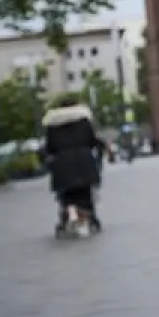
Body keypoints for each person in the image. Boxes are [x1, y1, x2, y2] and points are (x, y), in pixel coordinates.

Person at [42, 93, 106, 233]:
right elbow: (92, 141)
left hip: (62, 164)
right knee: (85, 192)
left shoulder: (52, 125)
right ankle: (90, 217)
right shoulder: (83, 121)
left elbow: (49, 147)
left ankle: (68, 215)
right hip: (83, 161)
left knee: (66, 195)